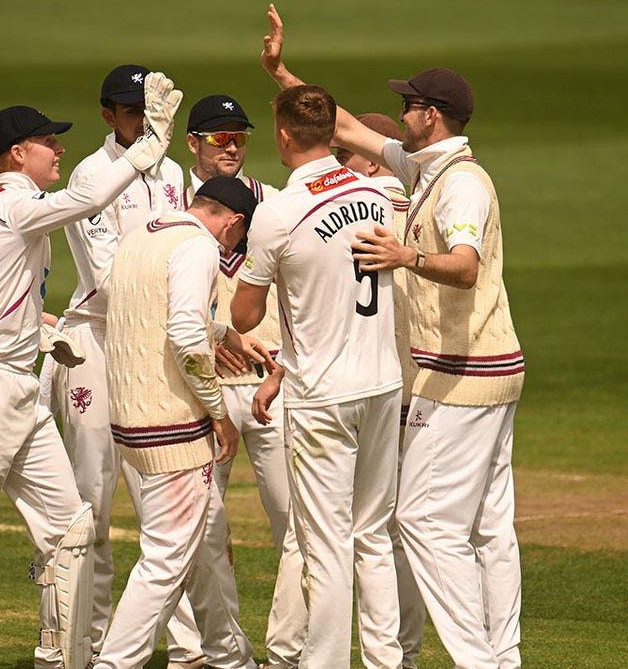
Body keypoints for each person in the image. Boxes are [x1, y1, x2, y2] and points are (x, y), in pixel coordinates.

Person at [262, 5, 527, 668]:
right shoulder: (425, 168)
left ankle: (479, 659)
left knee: (425, 523)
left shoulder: (461, 186)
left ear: (430, 116)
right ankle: (504, 655)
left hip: (464, 376)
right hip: (488, 370)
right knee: (489, 525)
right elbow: (340, 127)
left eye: (408, 103)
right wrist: (281, 74)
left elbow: (463, 268)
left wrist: (408, 258)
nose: (400, 111)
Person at [0, 73, 183, 669]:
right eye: (48, 142)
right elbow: (88, 202)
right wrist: (148, 148)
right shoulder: (16, 205)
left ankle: (62, 659)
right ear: (18, 154)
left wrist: (28, 320)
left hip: (18, 385)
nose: (60, 149)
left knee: (70, 530)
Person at [231, 83, 403, 668]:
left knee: (325, 547)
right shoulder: (378, 192)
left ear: (282, 136)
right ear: (334, 134)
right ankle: (387, 662)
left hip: (323, 395)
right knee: (373, 536)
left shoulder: (277, 211)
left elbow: (244, 314)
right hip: (383, 383)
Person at [43, 63, 199, 668]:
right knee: (93, 501)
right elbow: (107, 280)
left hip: (154, 343)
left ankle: (187, 647)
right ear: (108, 115)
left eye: (150, 111)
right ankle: (88, 639)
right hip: (98, 344)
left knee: (165, 496)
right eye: (131, 112)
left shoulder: (174, 171)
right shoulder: (90, 175)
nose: (142, 121)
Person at [96, 176, 270, 669]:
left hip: (130, 416)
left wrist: (228, 334)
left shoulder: (143, 234)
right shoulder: (199, 247)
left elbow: (153, 311)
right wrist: (220, 414)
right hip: (171, 423)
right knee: (167, 559)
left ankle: (230, 657)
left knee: (207, 540)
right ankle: (114, 664)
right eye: (240, 235)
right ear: (233, 222)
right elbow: (185, 336)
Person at [182, 94, 303, 669]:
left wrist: (282, 363)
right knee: (202, 530)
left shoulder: (277, 203)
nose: (229, 146)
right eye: (217, 137)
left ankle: (291, 653)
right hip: (203, 391)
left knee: (297, 527)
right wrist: (216, 339)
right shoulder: (175, 210)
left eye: (238, 137)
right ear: (193, 145)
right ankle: (225, 654)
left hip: (271, 384)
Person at [339, 113, 427, 668]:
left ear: (369, 161)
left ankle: (395, 654)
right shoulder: (409, 197)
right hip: (406, 381)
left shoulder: (375, 199)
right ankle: (404, 654)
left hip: (380, 382)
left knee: (379, 530)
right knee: (394, 530)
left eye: (343, 155)